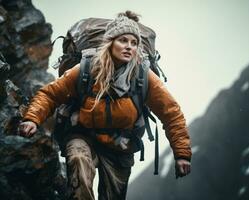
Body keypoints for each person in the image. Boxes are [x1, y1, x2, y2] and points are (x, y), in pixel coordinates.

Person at [19, 11, 192, 200]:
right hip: (82, 135)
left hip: (121, 146)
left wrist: (181, 153)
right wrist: (32, 118)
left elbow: (171, 113)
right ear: (110, 43)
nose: (129, 47)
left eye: (134, 43)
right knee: (78, 160)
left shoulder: (143, 77)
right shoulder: (87, 68)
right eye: (123, 40)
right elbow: (51, 94)